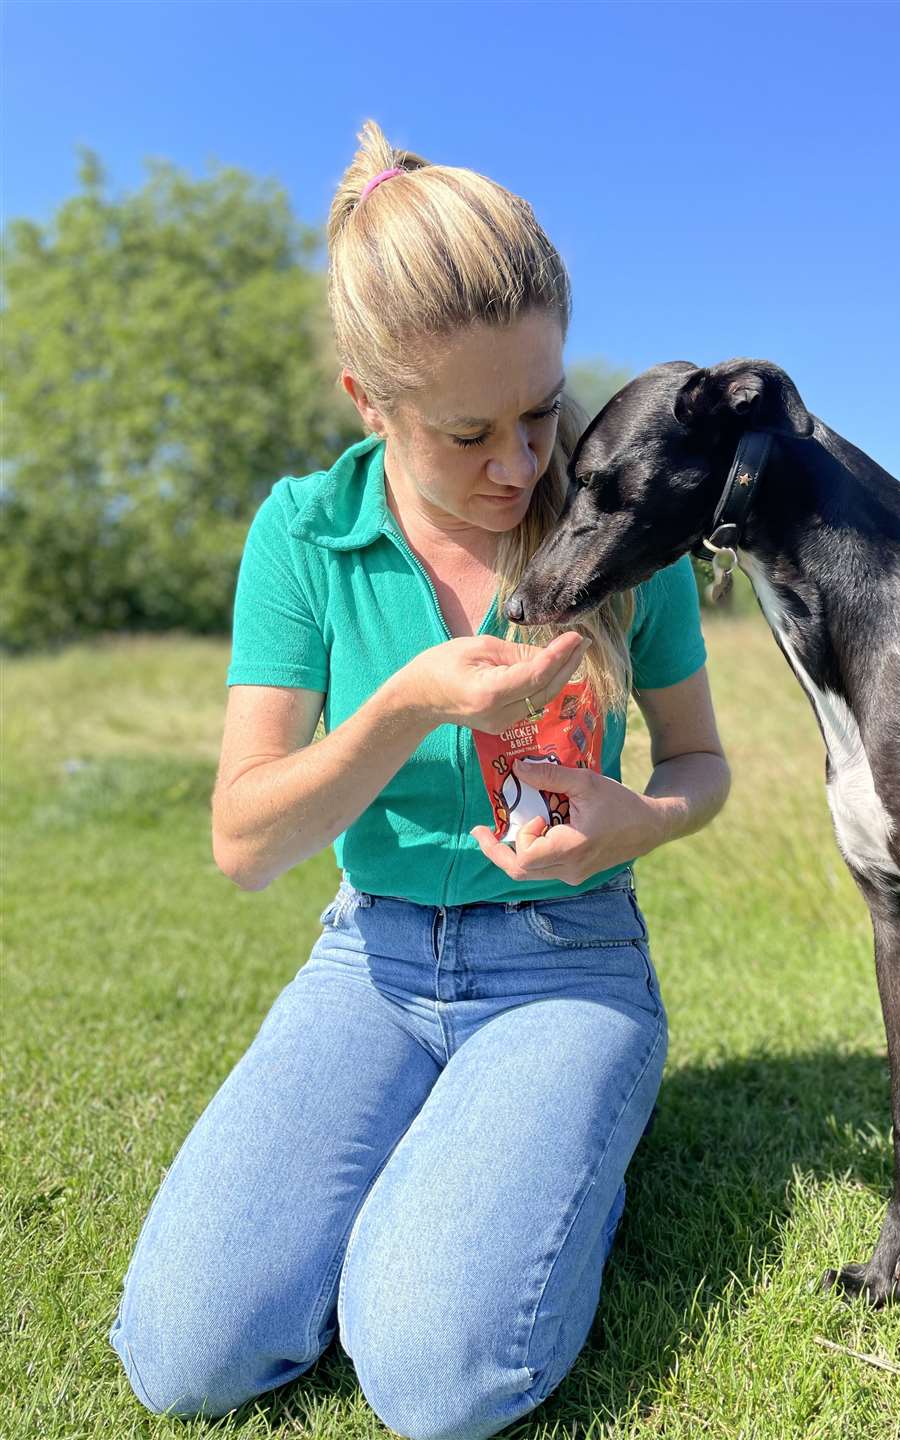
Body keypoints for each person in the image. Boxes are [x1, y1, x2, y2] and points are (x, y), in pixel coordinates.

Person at [107, 121, 730, 1440]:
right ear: (367, 403)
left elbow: (702, 764)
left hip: (569, 959)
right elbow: (243, 841)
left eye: (540, 411)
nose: (519, 467)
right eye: (467, 434)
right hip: (370, 963)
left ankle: (560, 1138)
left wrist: (641, 815)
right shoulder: (303, 536)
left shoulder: (627, 530)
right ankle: (462, 1154)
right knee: (186, 1354)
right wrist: (397, 710)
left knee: (436, 1377)